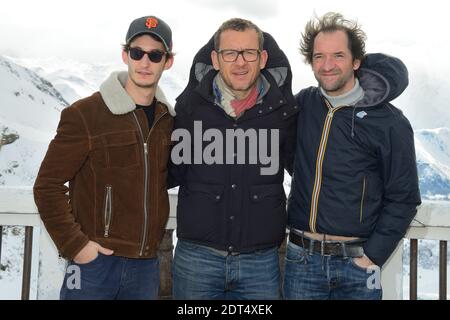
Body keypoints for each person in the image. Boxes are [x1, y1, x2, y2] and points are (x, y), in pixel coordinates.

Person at [33, 15, 175, 300]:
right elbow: (47, 186)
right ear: (125, 55)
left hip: (146, 267)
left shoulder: (167, 122)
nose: (145, 62)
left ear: (167, 61)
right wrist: (77, 248)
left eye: (155, 55)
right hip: (93, 267)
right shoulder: (85, 115)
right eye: (137, 53)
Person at [284, 12, 421, 300]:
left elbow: (404, 197)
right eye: (319, 56)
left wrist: (372, 257)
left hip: (358, 265)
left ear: (356, 61)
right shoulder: (304, 104)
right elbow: (290, 158)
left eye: (338, 55)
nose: (327, 65)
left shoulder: (389, 122)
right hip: (301, 261)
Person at [170, 18, 298, 299]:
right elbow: (165, 171)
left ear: (262, 58)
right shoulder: (190, 109)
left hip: (260, 263)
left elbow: (306, 169)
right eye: (230, 53)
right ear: (215, 59)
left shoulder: (283, 111)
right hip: (197, 260)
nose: (240, 62)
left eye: (248, 53)